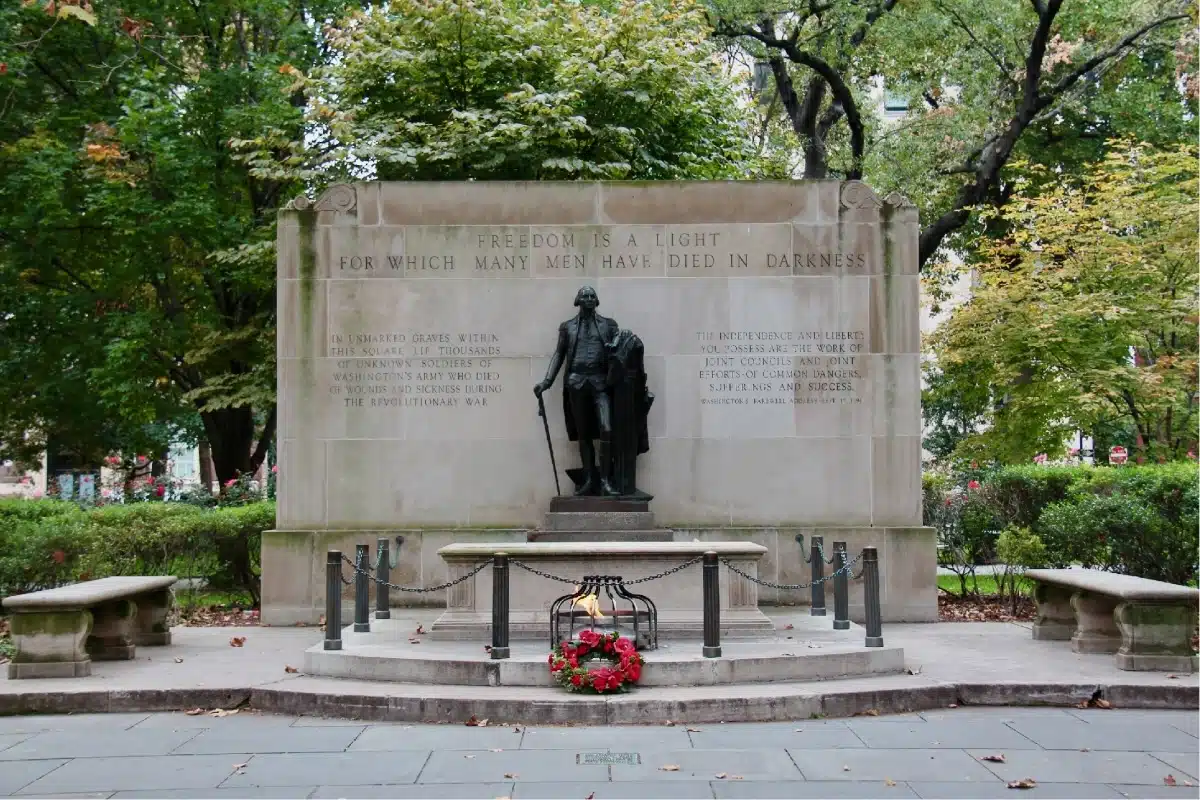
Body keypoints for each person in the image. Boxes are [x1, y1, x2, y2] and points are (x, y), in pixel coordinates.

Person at [534, 286, 620, 496]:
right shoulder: (568, 327)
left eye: (592, 296)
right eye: (585, 296)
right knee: (583, 434)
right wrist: (547, 382)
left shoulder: (609, 325)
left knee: (606, 429)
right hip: (576, 382)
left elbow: (621, 350)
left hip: (600, 382)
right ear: (578, 301)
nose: (589, 299)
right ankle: (590, 479)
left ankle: (606, 480)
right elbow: (558, 355)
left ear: (596, 300)